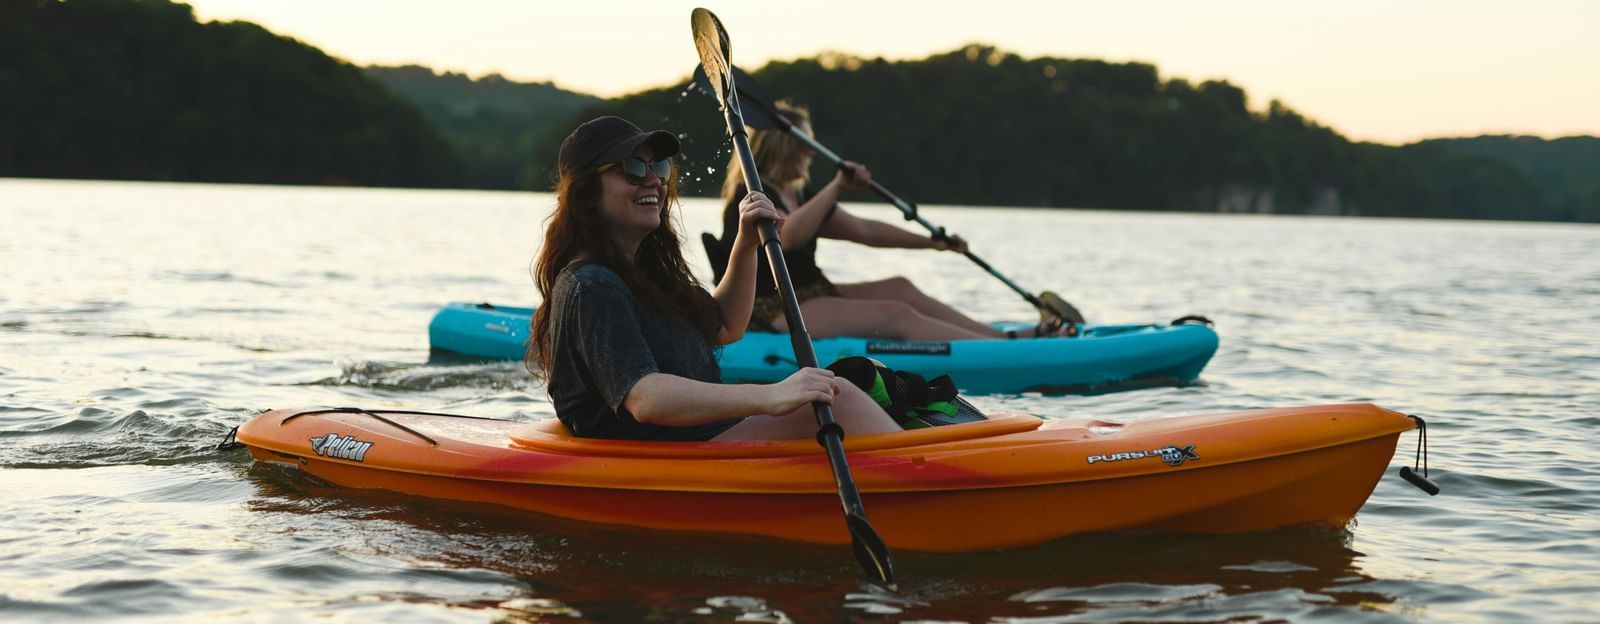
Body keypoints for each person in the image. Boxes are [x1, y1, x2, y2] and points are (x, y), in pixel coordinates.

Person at [526, 116, 903, 442]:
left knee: (868, 375)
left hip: (698, 436)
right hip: (659, 454)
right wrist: (770, 396)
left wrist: (745, 245)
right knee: (842, 397)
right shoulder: (593, 285)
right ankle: (936, 479)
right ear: (587, 194)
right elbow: (645, 398)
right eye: (633, 170)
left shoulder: (645, 274)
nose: (653, 182)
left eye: (658, 168)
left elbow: (725, 325)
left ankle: (938, 449)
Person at [716, 101, 1069, 341]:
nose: (811, 150)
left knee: (900, 287)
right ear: (782, 146)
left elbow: (865, 231)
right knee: (895, 313)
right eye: (806, 142)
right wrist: (838, 185)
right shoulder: (751, 198)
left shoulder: (801, 195)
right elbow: (787, 236)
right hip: (771, 310)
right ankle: (1003, 351)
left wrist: (933, 243)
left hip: (810, 293)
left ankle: (1004, 338)